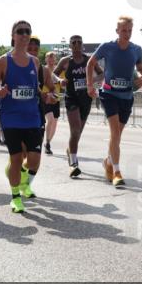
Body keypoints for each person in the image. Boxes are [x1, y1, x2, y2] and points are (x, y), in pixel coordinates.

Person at [0, 20, 54, 213]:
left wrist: (45, 96)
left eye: (27, 31)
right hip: (11, 118)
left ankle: (21, 176)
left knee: (34, 160)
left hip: (32, 116)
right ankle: (16, 197)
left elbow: (35, 89)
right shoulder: (3, 61)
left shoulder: (35, 62)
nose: (24, 35)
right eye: (20, 31)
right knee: (16, 158)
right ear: (13, 36)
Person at [87, 16, 142, 188]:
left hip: (127, 96)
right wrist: (90, 85)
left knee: (117, 135)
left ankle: (108, 162)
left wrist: (141, 76)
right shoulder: (107, 47)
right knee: (115, 132)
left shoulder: (137, 49)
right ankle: (117, 172)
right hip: (109, 93)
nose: (127, 33)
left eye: (130, 30)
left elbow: (141, 68)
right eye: (124, 30)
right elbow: (90, 63)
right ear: (117, 31)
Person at [54, 35, 97, 178]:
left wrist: (92, 80)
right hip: (71, 98)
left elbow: (102, 74)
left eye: (79, 42)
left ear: (83, 44)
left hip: (86, 99)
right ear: (70, 46)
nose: (77, 44)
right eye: (74, 42)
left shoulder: (89, 60)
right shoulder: (65, 61)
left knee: (78, 132)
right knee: (75, 128)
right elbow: (52, 74)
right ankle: (73, 163)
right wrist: (60, 80)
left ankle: (70, 150)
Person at [41, 51, 62, 155]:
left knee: (54, 122)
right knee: (50, 119)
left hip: (56, 99)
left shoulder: (59, 70)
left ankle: (48, 142)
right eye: (48, 58)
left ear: (55, 60)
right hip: (46, 98)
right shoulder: (43, 70)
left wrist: (63, 83)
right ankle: (47, 143)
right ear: (46, 59)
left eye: (52, 58)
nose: (50, 60)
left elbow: (63, 83)